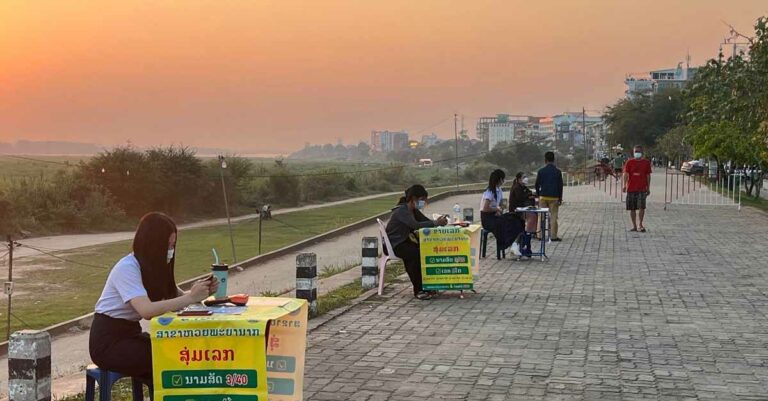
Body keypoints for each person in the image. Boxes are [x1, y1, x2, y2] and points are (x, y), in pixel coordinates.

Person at [90, 212, 218, 381]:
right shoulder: (127, 268)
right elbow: (147, 311)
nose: (171, 251)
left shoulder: (155, 269)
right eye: (168, 245)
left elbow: (179, 297)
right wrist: (190, 298)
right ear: (154, 244)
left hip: (131, 334)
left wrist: (202, 291)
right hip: (109, 342)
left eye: (173, 246)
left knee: (180, 351)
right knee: (169, 357)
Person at [385, 185, 448, 300]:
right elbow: (416, 225)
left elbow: (426, 221)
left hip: (406, 242)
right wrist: (435, 223)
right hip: (395, 244)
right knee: (416, 255)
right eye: (422, 200)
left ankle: (427, 286)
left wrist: (439, 221)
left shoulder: (414, 211)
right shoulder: (401, 211)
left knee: (423, 252)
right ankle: (419, 290)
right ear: (414, 198)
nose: (424, 203)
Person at [535, 151, 564, 241]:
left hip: (543, 197)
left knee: (541, 216)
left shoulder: (541, 171)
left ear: (545, 160)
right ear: (553, 160)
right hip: (554, 197)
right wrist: (560, 198)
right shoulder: (558, 172)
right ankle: (553, 236)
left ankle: (540, 235)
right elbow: (560, 186)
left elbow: (536, 184)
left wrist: (538, 194)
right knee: (553, 217)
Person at [623, 145, 652, 232]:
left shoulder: (646, 163)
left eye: (639, 151)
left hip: (642, 188)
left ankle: (640, 224)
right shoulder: (629, 162)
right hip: (631, 188)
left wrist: (648, 187)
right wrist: (624, 185)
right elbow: (625, 174)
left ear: (642, 152)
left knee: (641, 207)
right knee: (632, 208)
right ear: (633, 152)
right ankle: (634, 225)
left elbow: (648, 175)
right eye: (636, 151)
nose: (637, 153)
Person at [509, 172, 537, 257]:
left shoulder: (523, 187)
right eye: (523, 177)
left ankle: (526, 247)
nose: (526, 178)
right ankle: (523, 246)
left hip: (524, 210)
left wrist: (531, 195)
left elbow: (529, 194)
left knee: (532, 219)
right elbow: (521, 197)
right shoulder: (516, 188)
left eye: (526, 176)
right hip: (516, 212)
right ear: (518, 179)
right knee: (529, 222)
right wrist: (529, 196)